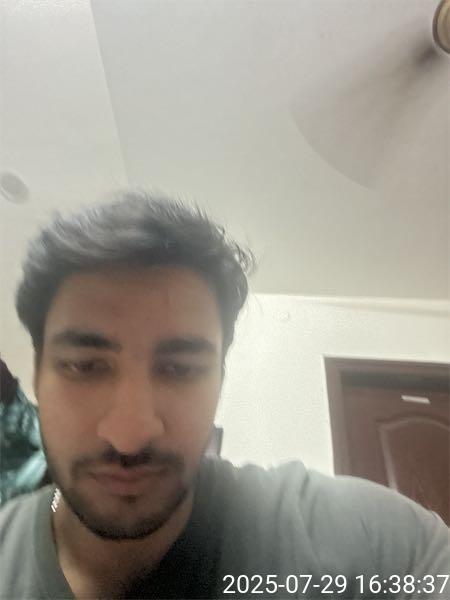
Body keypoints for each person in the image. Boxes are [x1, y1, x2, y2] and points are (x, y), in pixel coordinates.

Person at [0, 190, 448, 600]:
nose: (129, 435)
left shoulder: (378, 545)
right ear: (36, 373)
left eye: (180, 369)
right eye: (85, 366)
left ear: (220, 376)